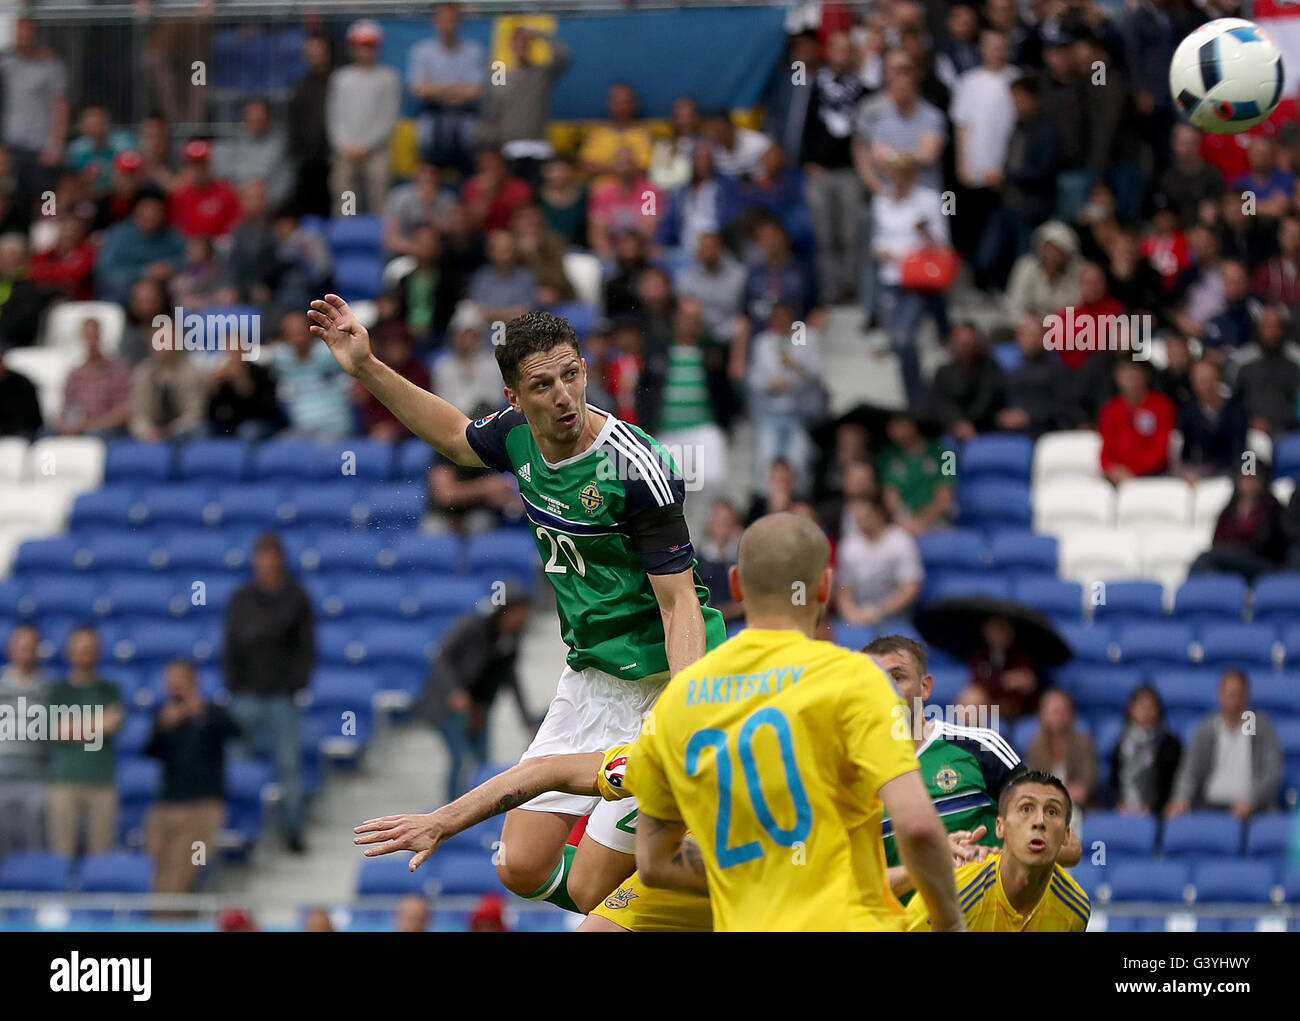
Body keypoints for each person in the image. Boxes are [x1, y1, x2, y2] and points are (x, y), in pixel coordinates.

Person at [310, 296, 726, 916]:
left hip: (663, 678)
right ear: (514, 397)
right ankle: (669, 885)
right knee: (521, 868)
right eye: (542, 384)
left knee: (591, 893)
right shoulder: (515, 440)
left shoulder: (636, 467)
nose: (563, 395)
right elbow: (454, 436)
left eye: (571, 374)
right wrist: (366, 365)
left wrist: (686, 709)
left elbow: (678, 606)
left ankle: (722, 886)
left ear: (585, 369)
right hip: (590, 674)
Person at [627, 513, 963, 931]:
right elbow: (916, 825)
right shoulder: (855, 679)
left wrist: (754, 871)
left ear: (735, 583)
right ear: (823, 585)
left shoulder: (679, 699)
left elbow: (655, 863)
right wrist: (950, 924)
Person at [867, 635, 1081, 900]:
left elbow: (1070, 848)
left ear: (925, 687)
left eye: (897, 677)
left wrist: (994, 860)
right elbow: (860, 888)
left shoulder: (980, 748)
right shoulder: (854, 780)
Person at [904, 771, 1090, 931]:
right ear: (1000, 827)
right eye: (1026, 809)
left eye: (1052, 812)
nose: (1039, 821)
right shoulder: (951, 898)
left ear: (1066, 835)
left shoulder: (1074, 910)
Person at [223, 533, 315, 852]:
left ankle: (292, 830)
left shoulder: (296, 598)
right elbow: (230, 645)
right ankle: (240, 830)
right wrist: (234, 686)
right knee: (239, 766)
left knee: (289, 765)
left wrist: (294, 685)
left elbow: (306, 648)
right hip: (245, 696)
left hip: (281, 697)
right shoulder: (241, 598)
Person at [414, 584, 536, 802]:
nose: (521, 618)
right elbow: (441, 660)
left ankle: (479, 813)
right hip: (448, 706)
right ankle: (450, 810)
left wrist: (526, 720)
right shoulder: (472, 626)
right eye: (518, 611)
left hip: (479, 709)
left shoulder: (510, 640)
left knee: (484, 764)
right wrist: (455, 691)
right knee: (461, 759)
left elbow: (512, 680)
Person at [144, 659, 240, 895]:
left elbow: (236, 732)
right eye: (170, 681)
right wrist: (164, 726)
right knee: (155, 868)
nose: (174, 686)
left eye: (179, 680)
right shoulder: (164, 716)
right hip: (167, 803)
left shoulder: (212, 712)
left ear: (193, 682)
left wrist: (201, 712)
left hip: (203, 806)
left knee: (185, 871)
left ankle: (167, 922)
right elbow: (149, 751)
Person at [1165, 670, 1284, 820]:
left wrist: (1252, 800)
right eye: (1230, 694)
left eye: (1239, 694)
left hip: (1252, 809)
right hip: (1209, 806)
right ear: (1220, 695)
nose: (1234, 701)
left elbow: (1272, 772)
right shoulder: (1207, 728)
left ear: (1247, 696)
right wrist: (1181, 798)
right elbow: (1190, 771)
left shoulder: (1258, 726)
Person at [46, 627, 122, 856]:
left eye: (89, 648)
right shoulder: (58, 691)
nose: (84, 653)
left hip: (102, 783)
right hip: (64, 782)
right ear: (69, 652)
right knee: (61, 853)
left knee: (101, 855)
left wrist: (72, 727)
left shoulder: (110, 690)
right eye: (79, 648)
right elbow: (54, 731)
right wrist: (97, 724)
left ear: (98, 652)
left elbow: (113, 724)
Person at [477, 25, 571, 187]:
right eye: (517, 42)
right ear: (511, 46)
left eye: (525, 42)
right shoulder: (500, 74)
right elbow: (492, 111)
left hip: (538, 147)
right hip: (509, 149)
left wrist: (537, 33)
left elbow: (564, 56)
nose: (522, 46)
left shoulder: (541, 74)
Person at [328, 20, 401, 213]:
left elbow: (389, 117)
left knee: (380, 187)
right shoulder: (341, 78)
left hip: (376, 150)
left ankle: (381, 232)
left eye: (369, 46)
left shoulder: (388, 77)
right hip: (346, 150)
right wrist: (345, 144)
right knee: (344, 190)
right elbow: (335, 116)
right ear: (352, 48)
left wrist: (367, 146)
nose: (365, 51)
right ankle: (346, 227)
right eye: (360, 46)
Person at [407, 3, 485, 177]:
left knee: (470, 182)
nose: (447, 24)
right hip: (432, 127)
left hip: (466, 128)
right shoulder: (421, 51)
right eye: (442, 19)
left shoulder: (474, 51)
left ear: (460, 22)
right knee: (429, 180)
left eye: (452, 19)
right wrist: (458, 88)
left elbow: (476, 91)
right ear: (434, 22)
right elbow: (419, 90)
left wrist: (436, 88)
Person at [835, 495, 923, 630]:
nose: (860, 520)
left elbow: (910, 588)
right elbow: (844, 590)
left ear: (879, 514)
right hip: (858, 616)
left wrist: (879, 611)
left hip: (895, 616)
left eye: (866, 515)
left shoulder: (901, 540)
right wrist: (850, 613)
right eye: (857, 516)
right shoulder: (848, 546)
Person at [0, 624, 51, 856]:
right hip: (1, 781)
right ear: (11, 649)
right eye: (20, 645)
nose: (25, 650)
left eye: (29, 646)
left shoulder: (50, 689)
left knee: (35, 855)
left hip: (36, 784)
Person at [1189, 465, 1287, 580]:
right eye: (1244, 479)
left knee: (1206, 558)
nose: (1248, 484)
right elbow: (1217, 540)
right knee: (1207, 563)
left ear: (1261, 480)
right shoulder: (1230, 509)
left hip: (1261, 562)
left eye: (1252, 478)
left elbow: (1274, 544)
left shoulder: (1271, 507)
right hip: (1231, 559)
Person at [270, 310, 353, 439]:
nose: (296, 333)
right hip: (300, 430)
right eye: (291, 330)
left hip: (334, 428)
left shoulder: (330, 352)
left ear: (310, 329)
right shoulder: (281, 357)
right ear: (285, 335)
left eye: (300, 328)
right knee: (278, 452)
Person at [1098, 358, 1177, 483]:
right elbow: (1106, 449)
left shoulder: (1162, 405)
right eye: (1124, 370)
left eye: (1134, 370)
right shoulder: (1111, 409)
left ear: (1145, 374)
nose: (1129, 375)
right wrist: (1113, 470)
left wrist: (1133, 471)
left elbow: (1161, 450)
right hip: (1118, 477)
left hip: (1153, 475)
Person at [1108, 684, 1182, 816]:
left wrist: (1153, 807)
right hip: (1123, 809)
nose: (1146, 712)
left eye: (1150, 707)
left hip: (1156, 812)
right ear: (1131, 710)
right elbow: (1113, 783)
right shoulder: (1121, 742)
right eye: (1141, 706)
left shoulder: (1170, 744)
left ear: (1158, 710)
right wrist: (1119, 803)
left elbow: (1172, 784)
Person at [59, 317, 132, 438]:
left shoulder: (119, 371)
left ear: (101, 336)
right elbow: (67, 408)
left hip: (108, 430)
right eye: (88, 336)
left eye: (94, 335)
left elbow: (125, 412)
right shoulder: (74, 375)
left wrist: (92, 425)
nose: (91, 341)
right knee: (49, 432)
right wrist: (67, 424)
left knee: (97, 434)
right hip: (80, 428)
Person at [1025, 690, 1097, 809]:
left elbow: (1085, 786)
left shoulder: (1083, 743)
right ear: (1042, 714)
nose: (1058, 716)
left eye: (1062, 710)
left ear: (1071, 713)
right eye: (1053, 711)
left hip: (1080, 808)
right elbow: (1032, 784)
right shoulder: (1035, 746)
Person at [129, 345, 209, 442]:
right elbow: (139, 414)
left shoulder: (192, 373)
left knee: (200, 430)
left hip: (183, 431)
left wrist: (170, 431)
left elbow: (194, 414)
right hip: (152, 433)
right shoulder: (142, 373)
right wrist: (148, 432)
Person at [968, 614, 1040, 722]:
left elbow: (1028, 686)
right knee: (972, 698)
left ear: (1012, 632)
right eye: (995, 630)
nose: (999, 635)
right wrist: (1005, 680)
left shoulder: (1023, 657)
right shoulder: (979, 656)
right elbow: (978, 683)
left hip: (1017, 710)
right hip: (988, 706)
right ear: (986, 631)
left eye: (1003, 630)